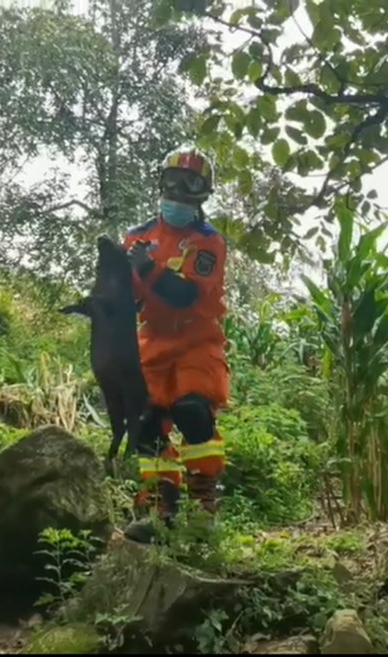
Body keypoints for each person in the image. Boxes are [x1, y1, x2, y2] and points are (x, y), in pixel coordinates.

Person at [121, 145, 229, 544]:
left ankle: (205, 509)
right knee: (146, 423)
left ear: (204, 192)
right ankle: (159, 508)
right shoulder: (137, 237)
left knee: (192, 411)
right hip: (151, 341)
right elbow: (126, 296)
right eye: (173, 180)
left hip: (197, 340)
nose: (180, 191)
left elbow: (187, 296)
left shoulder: (208, 242)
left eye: (191, 183)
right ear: (160, 182)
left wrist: (147, 268)